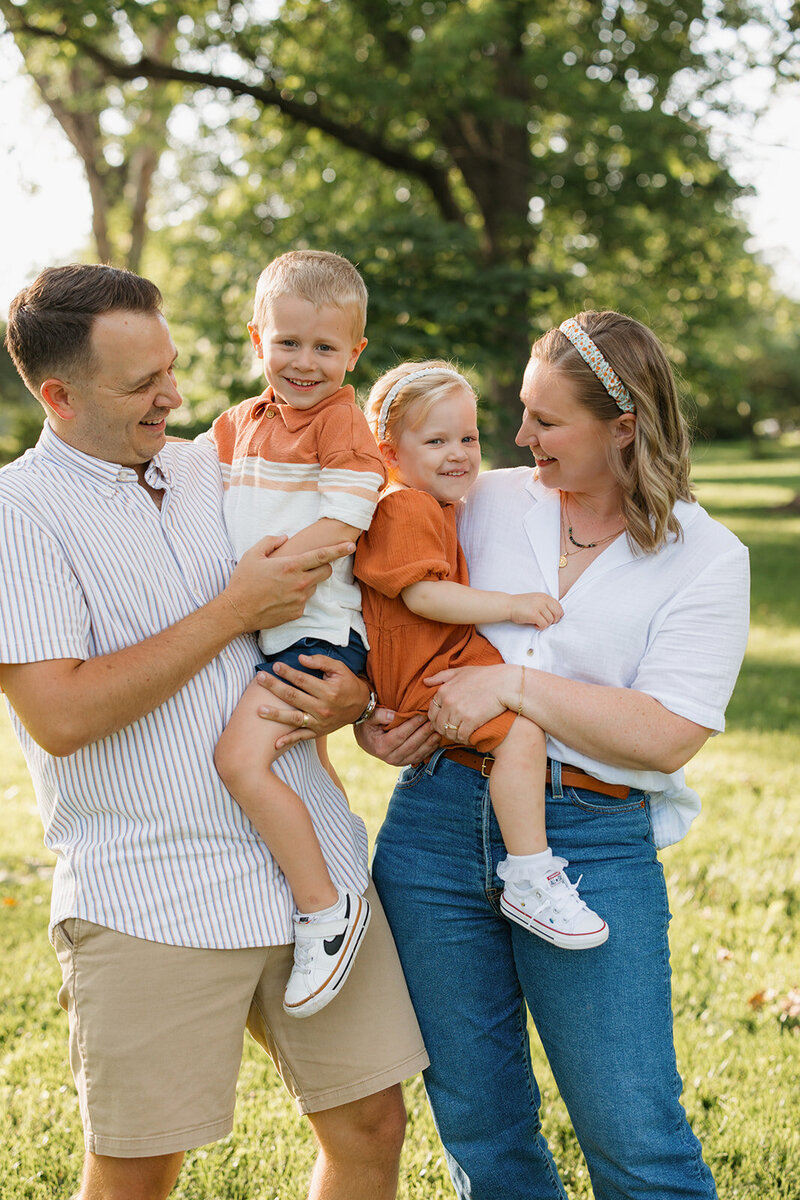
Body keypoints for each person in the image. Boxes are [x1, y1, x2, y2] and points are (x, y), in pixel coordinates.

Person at [0, 263, 427, 1200]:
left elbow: (332, 593)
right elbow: (61, 716)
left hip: (314, 874)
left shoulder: (221, 463)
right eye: (143, 383)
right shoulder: (18, 512)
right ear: (58, 394)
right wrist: (233, 610)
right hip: (151, 891)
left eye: (175, 366)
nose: (177, 395)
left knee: (370, 1125)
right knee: (138, 1170)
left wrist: (349, 692)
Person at [351, 312, 750, 1199]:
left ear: (623, 426)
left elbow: (670, 730)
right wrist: (373, 719)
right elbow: (389, 601)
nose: (520, 437)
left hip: (590, 842)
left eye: (546, 420)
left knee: (633, 1131)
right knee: (479, 1124)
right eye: (522, 415)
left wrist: (514, 691)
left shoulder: (706, 558)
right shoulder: (480, 495)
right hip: (434, 827)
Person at [353, 360, 608, 948]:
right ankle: (529, 872)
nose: (459, 453)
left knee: (522, 715)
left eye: (467, 437)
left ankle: (525, 865)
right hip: (426, 668)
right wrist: (512, 605)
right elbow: (423, 594)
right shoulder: (407, 507)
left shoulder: (437, 505)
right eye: (436, 439)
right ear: (389, 450)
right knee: (520, 732)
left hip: (439, 658)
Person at [209, 250, 386, 1018]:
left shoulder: (343, 422)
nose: (304, 363)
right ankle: (341, 874)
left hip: (314, 635)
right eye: (288, 343)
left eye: (325, 347)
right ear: (256, 338)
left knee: (240, 761)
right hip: (271, 632)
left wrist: (259, 585)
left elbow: (345, 519)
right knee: (306, 771)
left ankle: (323, 910)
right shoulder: (233, 427)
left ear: (355, 354)